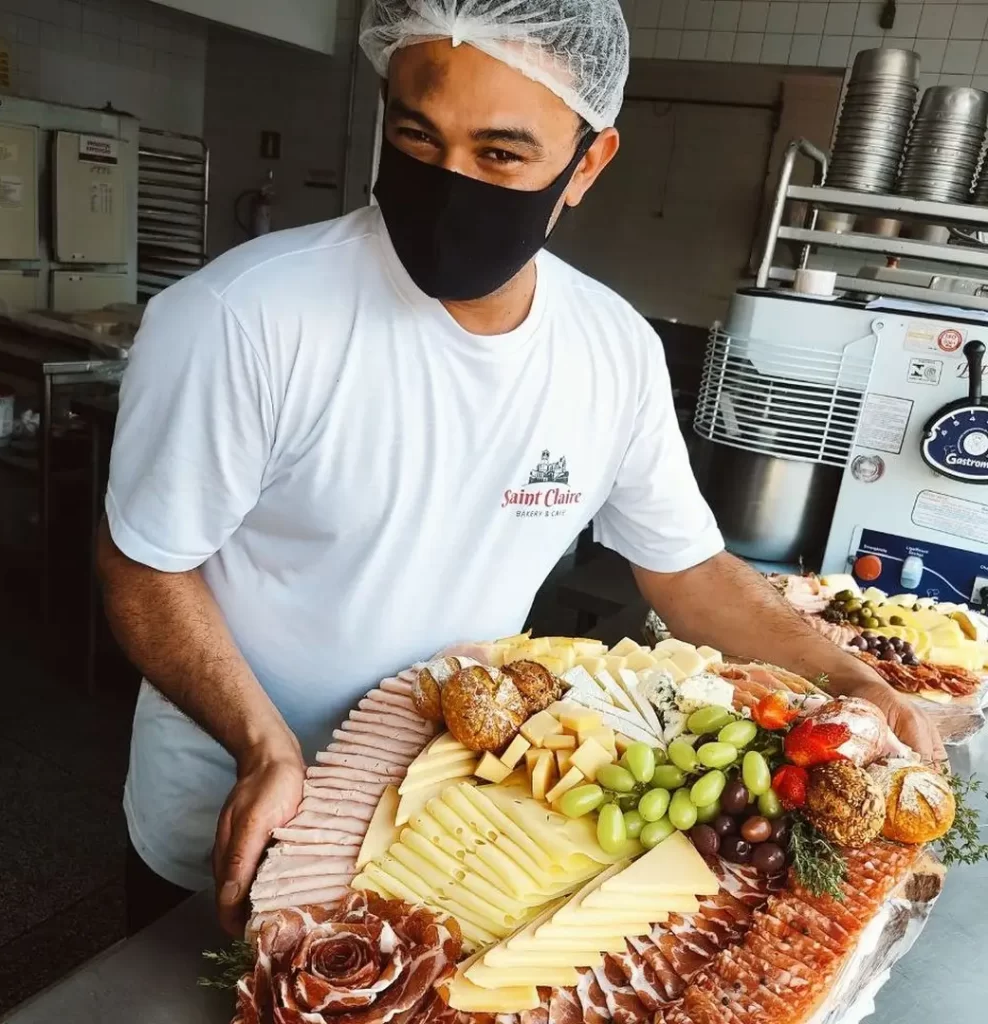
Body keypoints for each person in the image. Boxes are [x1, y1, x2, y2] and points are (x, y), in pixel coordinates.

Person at [99, 0, 944, 937]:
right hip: (239, 802)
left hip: (446, 818)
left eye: (501, 154)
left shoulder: (611, 348)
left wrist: (851, 678)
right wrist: (263, 746)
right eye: (418, 139)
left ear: (588, 162)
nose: (450, 183)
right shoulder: (242, 319)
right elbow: (144, 562)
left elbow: (688, 569)